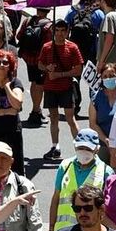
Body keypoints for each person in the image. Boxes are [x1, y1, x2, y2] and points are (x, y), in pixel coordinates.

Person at [37, 20, 84, 159]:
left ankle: (81, 147)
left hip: (66, 88)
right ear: (53, 31)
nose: (59, 33)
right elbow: (40, 64)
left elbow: (78, 69)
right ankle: (55, 146)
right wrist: (47, 68)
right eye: (57, 30)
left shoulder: (72, 47)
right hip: (50, 88)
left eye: (63, 30)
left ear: (67, 31)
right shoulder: (47, 47)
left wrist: (60, 74)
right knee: (54, 118)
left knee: (70, 118)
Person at [49, 131, 111, 231]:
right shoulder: (65, 166)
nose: (83, 151)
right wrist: (51, 228)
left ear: (97, 149)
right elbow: (56, 197)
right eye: (80, 148)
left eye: (88, 149)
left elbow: (106, 207)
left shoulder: (106, 171)